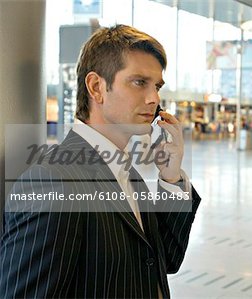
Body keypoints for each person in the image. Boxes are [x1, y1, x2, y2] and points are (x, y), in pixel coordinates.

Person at [0, 25, 201, 298]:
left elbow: (166, 259)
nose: (154, 98)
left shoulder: (128, 173)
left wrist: (170, 177)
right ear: (97, 88)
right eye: (139, 82)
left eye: (157, 86)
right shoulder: (54, 183)